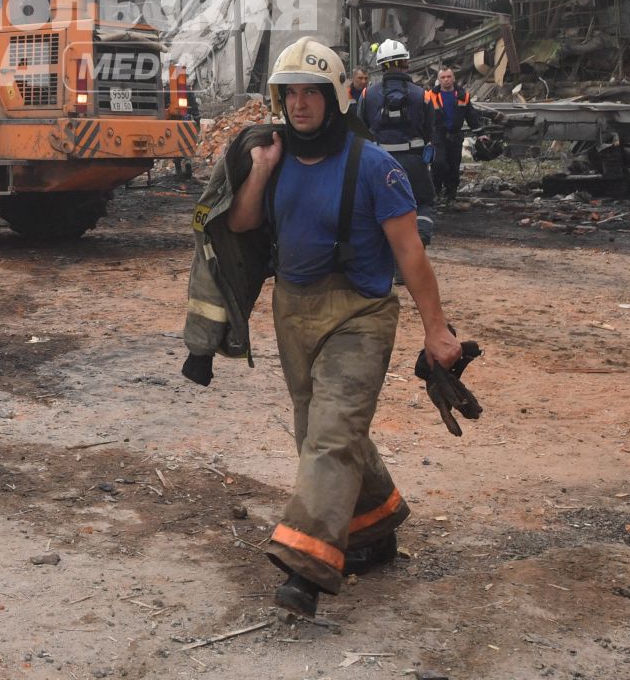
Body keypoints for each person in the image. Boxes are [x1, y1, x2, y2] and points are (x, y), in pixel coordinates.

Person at [181, 38, 460, 619]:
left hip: (361, 312)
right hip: (294, 309)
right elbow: (244, 222)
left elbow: (412, 257)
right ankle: (376, 527)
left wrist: (438, 331)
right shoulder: (274, 156)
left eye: (312, 92)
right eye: (291, 93)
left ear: (335, 98)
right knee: (320, 428)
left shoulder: (375, 167)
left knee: (331, 434)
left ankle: (307, 565)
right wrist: (258, 172)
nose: (301, 104)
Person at [359, 39, 437, 245]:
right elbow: (430, 132)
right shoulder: (424, 95)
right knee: (422, 202)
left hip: (379, 162)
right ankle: (418, 242)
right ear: (406, 62)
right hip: (414, 162)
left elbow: (361, 130)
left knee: (380, 205)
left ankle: (387, 255)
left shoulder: (368, 94)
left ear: (381, 64)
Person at [424, 66, 483, 205]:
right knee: (438, 164)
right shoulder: (430, 96)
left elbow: (471, 116)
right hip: (438, 135)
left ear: (453, 78)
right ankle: (436, 191)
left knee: (454, 165)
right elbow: (423, 117)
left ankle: (451, 195)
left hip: (455, 135)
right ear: (439, 80)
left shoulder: (463, 96)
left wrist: (480, 134)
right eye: (443, 77)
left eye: (448, 77)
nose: (446, 80)